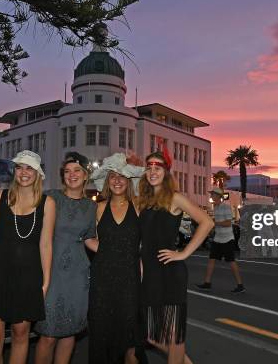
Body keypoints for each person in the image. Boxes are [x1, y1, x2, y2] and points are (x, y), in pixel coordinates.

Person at [138, 150, 213, 364]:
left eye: (158, 167)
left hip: (170, 272)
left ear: (166, 172)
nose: (153, 171)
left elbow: (207, 223)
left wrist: (184, 253)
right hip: (150, 274)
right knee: (150, 335)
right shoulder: (144, 200)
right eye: (149, 167)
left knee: (174, 336)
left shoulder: (175, 198)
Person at [0, 150, 56, 364]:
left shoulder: (48, 203)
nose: (24, 172)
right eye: (19, 167)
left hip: (28, 278)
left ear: (38, 173)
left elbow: (45, 244)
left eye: (29, 168)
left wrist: (45, 282)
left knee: (20, 335)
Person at [34, 152, 97, 364]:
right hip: (50, 271)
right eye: (67, 171)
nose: (72, 175)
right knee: (48, 334)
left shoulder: (91, 206)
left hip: (78, 275)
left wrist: (122, 252)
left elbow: (90, 239)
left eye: (77, 170)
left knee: (70, 332)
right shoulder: (50, 197)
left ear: (86, 175)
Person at [88, 152, 146, 364]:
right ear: (107, 181)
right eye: (113, 176)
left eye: (122, 176)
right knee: (103, 334)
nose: (118, 180)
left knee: (130, 339)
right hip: (102, 277)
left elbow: (148, 241)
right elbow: (88, 239)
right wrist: (108, 251)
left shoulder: (139, 206)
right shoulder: (99, 207)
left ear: (129, 181)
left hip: (130, 278)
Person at [196, 187, 245, 293]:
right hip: (217, 238)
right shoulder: (216, 207)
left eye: (212, 194)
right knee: (211, 259)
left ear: (218, 196)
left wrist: (215, 223)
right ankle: (207, 283)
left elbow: (228, 223)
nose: (211, 196)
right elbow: (218, 222)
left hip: (227, 239)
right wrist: (212, 228)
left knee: (231, 261)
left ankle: (240, 285)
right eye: (211, 194)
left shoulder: (226, 207)